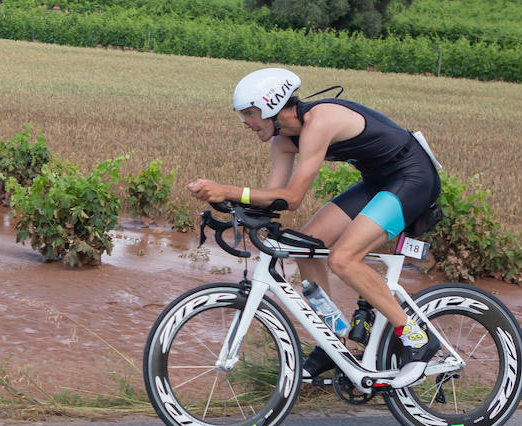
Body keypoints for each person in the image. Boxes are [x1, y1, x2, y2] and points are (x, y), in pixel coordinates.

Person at [186, 67, 441, 387]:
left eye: (249, 114)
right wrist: (228, 205)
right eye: (242, 117)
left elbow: (292, 198)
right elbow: (272, 198)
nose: (246, 124)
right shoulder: (281, 142)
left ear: (270, 106)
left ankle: (416, 337)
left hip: (412, 178)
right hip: (378, 182)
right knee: (306, 247)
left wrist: (229, 189)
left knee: (343, 259)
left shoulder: (320, 121)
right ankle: (334, 340)